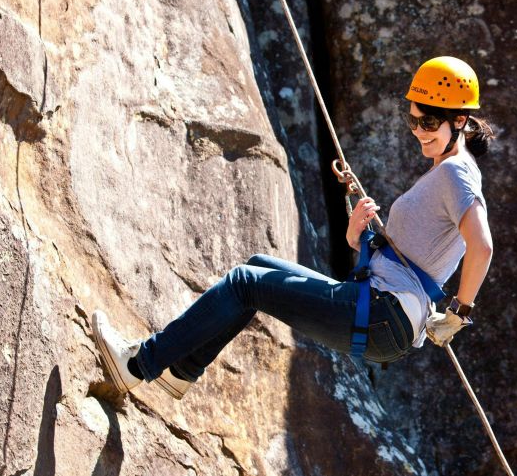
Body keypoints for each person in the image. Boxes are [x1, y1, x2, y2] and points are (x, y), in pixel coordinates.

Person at [91, 56, 494, 400]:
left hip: (384, 314)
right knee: (257, 265)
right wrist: (359, 236)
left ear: (459, 121)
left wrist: (459, 312)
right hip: (381, 309)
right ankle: (180, 370)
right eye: (414, 120)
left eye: (430, 122)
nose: (419, 131)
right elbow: (413, 257)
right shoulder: (444, 171)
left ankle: (137, 364)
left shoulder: (457, 173)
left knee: (244, 282)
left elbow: (483, 246)